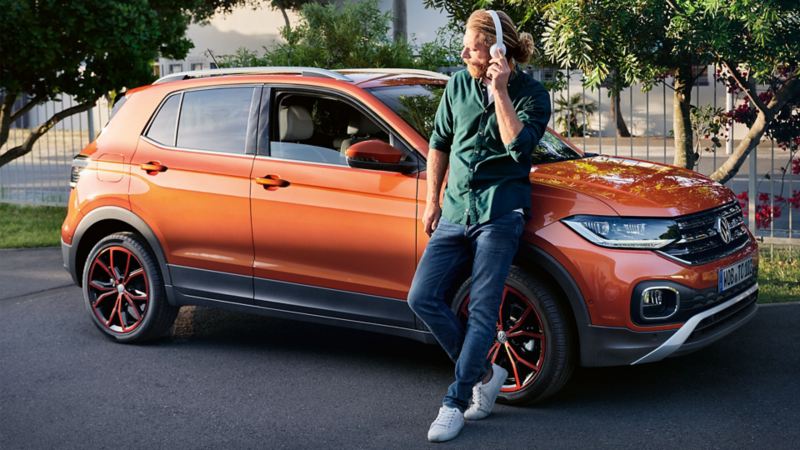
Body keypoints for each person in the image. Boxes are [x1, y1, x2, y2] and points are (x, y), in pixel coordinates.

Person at [406, 9, 551, 443]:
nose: (463, 49)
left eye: (471, 43)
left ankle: (455, 401)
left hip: (500, 214)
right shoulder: (456, 86)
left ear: (497, 48)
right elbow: (438, 143)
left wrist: (500, 90)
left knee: (484, 312)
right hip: (454, 211)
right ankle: (487, 372)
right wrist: (432, 200)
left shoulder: (532, 94)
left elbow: (517, 147)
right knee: (422, 297)